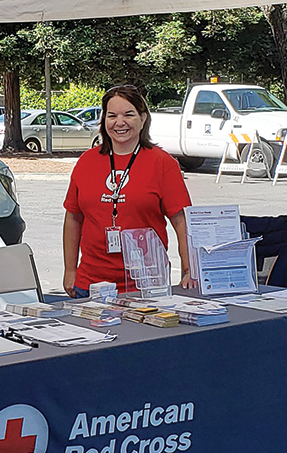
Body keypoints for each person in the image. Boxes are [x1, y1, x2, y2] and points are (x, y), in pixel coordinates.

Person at [63, 85, 192, 296]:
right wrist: (70, 270)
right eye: (112, 115)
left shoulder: (162, 163)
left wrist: (188, 269)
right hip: (91, 284)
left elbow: (182, 221)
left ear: (142, 119)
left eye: (128, 115)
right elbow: (73, 218)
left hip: (145, 286)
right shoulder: (87, 161)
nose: (119, 122)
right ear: (104, 121)